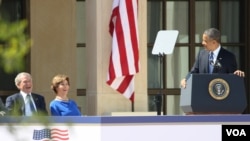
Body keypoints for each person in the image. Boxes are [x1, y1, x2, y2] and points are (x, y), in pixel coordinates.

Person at [180, 28, 245, 88]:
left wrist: (237, 73)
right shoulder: (201, 54)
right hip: (203, 94)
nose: (202, 43)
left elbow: (232, 77)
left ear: (214, 42)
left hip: (220, 96)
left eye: (205, 41)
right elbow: (194, 71)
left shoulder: (229, 56)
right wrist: (186, 79)